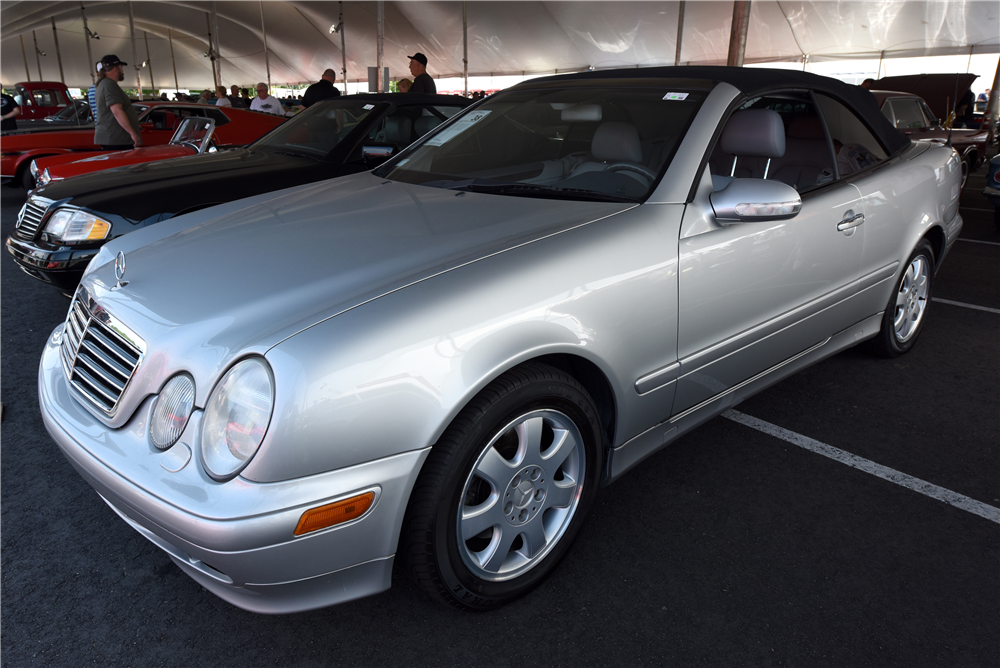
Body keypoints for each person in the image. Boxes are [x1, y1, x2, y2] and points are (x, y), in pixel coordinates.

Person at [94, 54, 142, 150]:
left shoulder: (104, 84)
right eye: (121, 68)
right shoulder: (109, 85)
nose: (122, 71)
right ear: (116, 69)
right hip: (116, 140)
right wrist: (132, 133)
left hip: (114, 139)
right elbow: (117, 111)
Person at [87, 61, 105, 125]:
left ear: (96, 72)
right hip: (110, 128)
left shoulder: (91, 90)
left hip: (98, 126)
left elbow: (92, 111)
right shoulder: (107, 87)